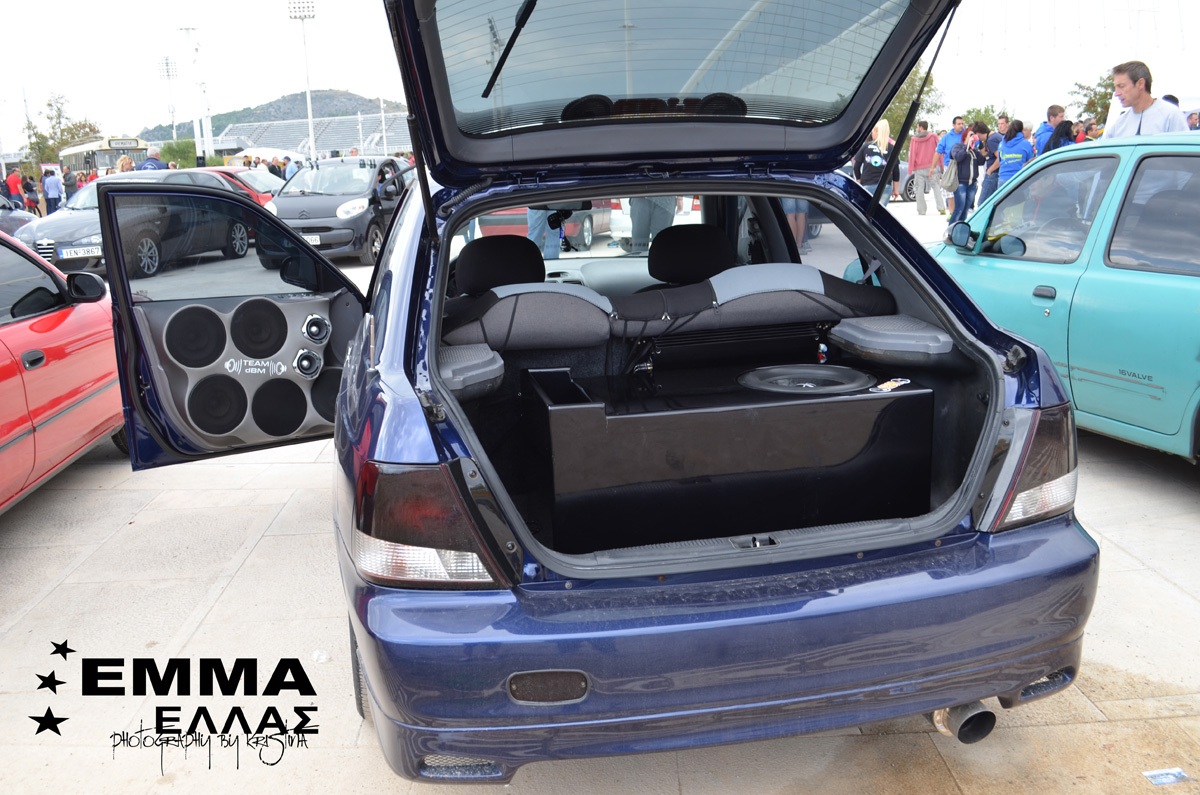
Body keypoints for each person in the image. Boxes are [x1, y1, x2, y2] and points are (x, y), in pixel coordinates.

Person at [1102, 61, 1189, 139]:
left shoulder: (1171, 115)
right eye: (1115, 87)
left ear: (1140, 84)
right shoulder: (1118, 125)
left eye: (1121, 86)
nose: (1116, 93)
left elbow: (1184, 149)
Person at [947, 122, 987, 225]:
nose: (973, 137)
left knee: (965, 210)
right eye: (971, 135)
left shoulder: (974, 150)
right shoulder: (958, 146)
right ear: (965, 136)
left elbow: (982, 161)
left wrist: (977, 148)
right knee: (959, 209)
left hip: (972, 184)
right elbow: (958, 157)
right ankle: (951, 229)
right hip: (960, 183)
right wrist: (967, 146)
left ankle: (960, 229)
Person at [853, 120, 900, 206]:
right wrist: (895, 189)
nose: (872, 133)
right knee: (879, 211)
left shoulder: (865, 146)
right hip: (885, 187)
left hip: (867, 184)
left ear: (876, 131)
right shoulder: (892, 148)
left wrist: (859, 180)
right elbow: (896, 171)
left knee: (866, 210)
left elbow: (856, 167)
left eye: (873, 131)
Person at [908, 121, 944, 216]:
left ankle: (921, 210)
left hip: (919, 167)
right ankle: (941, 207)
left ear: (921, 127)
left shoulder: (914, 139)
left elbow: (912, 154)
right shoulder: (933, 137)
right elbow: (940, 151)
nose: (916, 129)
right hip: (932, 166)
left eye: (917, 127)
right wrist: (942, 164)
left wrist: (911, 168)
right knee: (936, 186)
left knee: (919, 188)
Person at [936, 116, 965, 216]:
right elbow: (938, 151)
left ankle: (961, 212)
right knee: (949, 191)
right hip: (949, 166)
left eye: (962, 123)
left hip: (963, 166)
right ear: (953, 125)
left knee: (961, 190)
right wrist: (933, 167)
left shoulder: (966, 134)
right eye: (959, 124)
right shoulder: (946, 137)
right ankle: (952, 213)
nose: (961, 126)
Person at [977, 115, 1007, 205]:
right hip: (999, 173)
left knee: (982, 203)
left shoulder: (991, 140)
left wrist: (990, 170)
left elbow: (1000, 158)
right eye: (999, 124)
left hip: (993, 174)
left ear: (978, 133)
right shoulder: (997, 136)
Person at [997, 119, 1035, 189]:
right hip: (1020, 178)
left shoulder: (1001, 144)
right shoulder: (1026, 144)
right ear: (1022, 131)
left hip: (1003, 178)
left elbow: (1000, 160)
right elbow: (1030, 162)